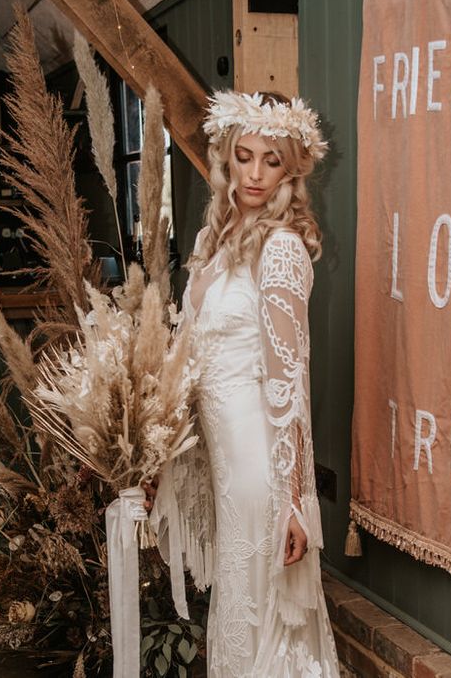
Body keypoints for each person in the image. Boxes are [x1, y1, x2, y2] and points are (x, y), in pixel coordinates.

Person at [148, 90, 339, 677]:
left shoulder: (280, 251)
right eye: (245, 156)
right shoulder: (215, 242)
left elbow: (290, 386)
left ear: (291, 170)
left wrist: (294, 502)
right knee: (235, 622)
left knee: (264, 630)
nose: (255, 173)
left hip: (262, 470)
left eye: (272, 160)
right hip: (226, 468)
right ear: (226, 158)